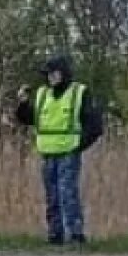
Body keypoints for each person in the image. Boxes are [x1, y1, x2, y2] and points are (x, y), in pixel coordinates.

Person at [15, 55, 104, 246]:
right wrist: (22, 104)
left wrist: (79, 145)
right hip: (47, 153)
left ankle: (75, 235)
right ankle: (55, 235)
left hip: (68, 153)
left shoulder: (79, 92)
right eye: (48, 75)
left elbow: (95, 125)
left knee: (67, 194)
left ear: (64, 73)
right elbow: (30, 119)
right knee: (52, 196)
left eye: (54, 74)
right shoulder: (42, 95)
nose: (50, 78)